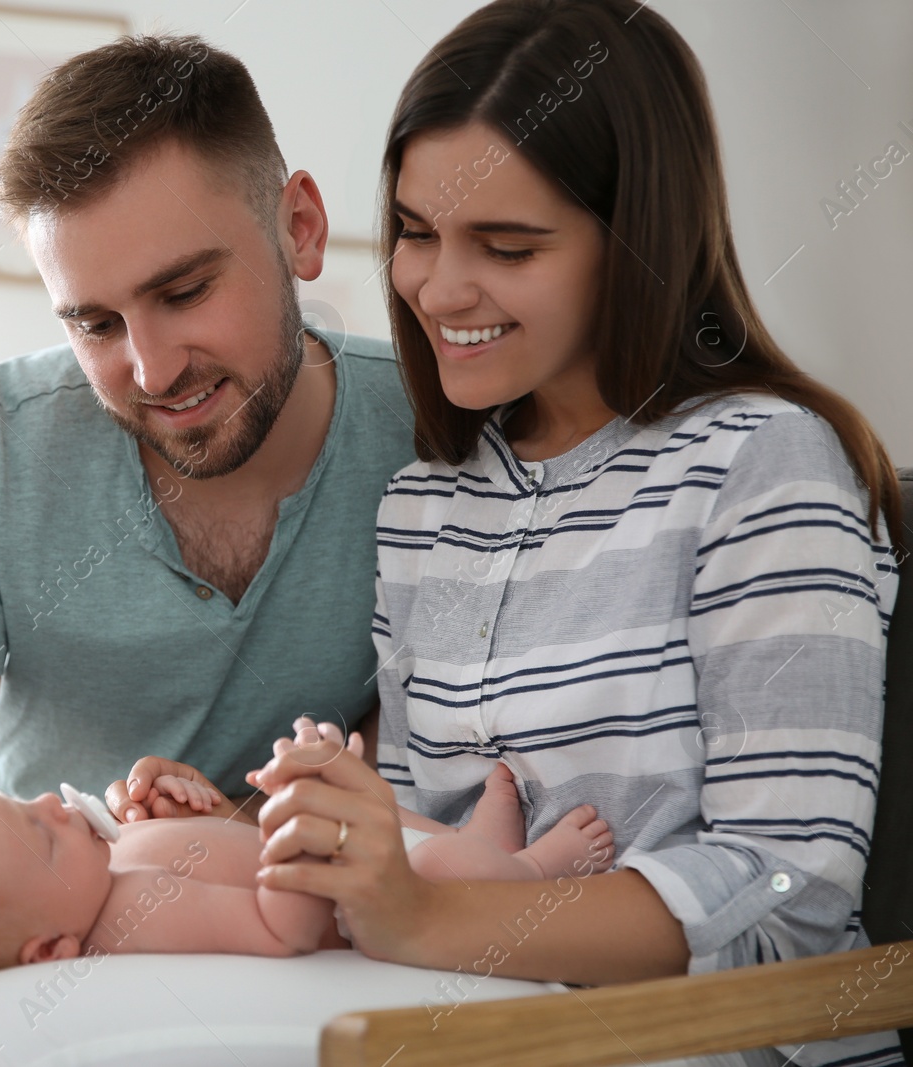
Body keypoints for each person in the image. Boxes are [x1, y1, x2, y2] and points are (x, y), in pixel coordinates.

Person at [241, 3, 906, 1066]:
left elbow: (788, 893)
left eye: (506, 246)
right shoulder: (425, 505)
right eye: (416, 230)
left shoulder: (762, 463)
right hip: (462, 1021)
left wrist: (424, 916)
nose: (438, 288)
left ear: (635, 238)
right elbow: (426, 837)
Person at [0, 34, 420, 1023]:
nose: (153, 369)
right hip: (43, 987)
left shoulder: (430, 438)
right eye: (95, 324)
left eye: (183, 291)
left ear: (298, 227)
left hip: (306, 969)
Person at [0, 745, 613, 1019]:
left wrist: (160, 808)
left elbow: (179, 850)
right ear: (49, 951)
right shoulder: (132, 922)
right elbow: (283, 931)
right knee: (440, 867)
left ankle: (483, 840)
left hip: (362, 859)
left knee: (414, 831)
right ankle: (533, 871)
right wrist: (293, 822)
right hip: (365, 904)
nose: (47, 803)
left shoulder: (92, 881)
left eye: (18, 801)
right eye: (37, 833)